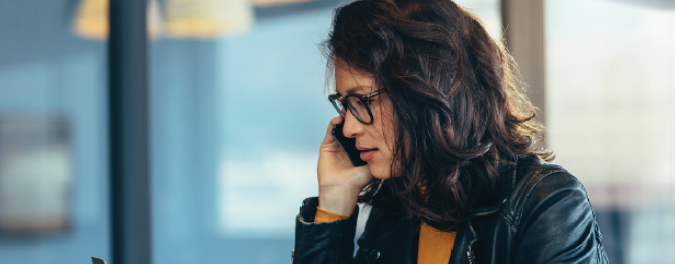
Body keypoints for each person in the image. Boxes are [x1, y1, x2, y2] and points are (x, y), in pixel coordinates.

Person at [293, 0, 609, 263]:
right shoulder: (398, 208)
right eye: (345, 104)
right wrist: (334, 202)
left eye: (361, 100)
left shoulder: (546, 203)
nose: (348, 127)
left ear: (426, 92)